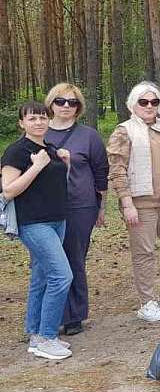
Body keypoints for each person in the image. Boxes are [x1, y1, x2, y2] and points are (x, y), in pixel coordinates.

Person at [107, 81, 160, 323]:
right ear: (132, 105)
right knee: (144, 253)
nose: (149, 106)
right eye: (143, 102)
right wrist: (127, 203)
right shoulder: (124, 131)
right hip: (141, 204)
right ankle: (147, 303)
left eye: (154, 102)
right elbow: (117, 169)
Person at [1, 102, 73, 359]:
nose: (39, 122)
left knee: (41, 278)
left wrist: (65, 163)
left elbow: (55, 185)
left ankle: (35, 334)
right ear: (22, 123)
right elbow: (9, 190)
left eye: (43, 117)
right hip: (33, 223)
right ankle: (47, 337)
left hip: (57, 220)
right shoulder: (16, 152)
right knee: (61, 276)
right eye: (32, 119)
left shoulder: (50, 149)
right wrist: (37, 166)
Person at [44, 83, 108, 336]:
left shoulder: (89, 136)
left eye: (72, 102)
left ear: (79, 107)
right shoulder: (39, 132)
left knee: (74, 259)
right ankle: (50, 314)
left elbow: (101, 173)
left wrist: (101, 207)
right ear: (51, 104)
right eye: (60, 101)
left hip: (80, 205)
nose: (66, 106)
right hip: (43, 208)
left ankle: (74, 316)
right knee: (48, 262)